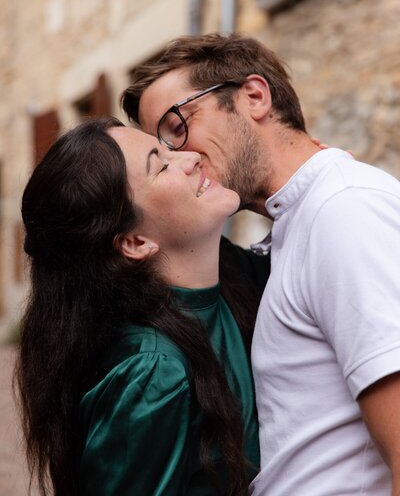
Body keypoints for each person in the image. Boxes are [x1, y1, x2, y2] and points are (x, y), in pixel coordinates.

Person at [121, 33, 400, 495]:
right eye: (163, 150)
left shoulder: (345, 211)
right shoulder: (306, 220)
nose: (182, 158)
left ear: (253, 96)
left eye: (177, 126)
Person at [16, 117, 262, 496]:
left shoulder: (231, 284)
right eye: (161, 165)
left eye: (167, 150)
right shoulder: (152, 372)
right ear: (134, 241)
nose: (192, 157)